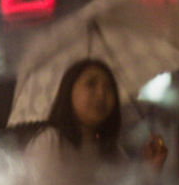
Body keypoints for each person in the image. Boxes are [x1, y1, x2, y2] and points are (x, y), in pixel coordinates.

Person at [23, 58, 167, 170]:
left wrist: (151, 168)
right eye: (91, 84)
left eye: (108, 87)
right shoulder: (51, 142)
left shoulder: (112, 152)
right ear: (69, 91)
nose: (101, 94)